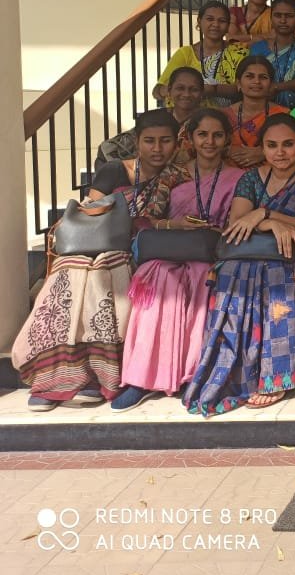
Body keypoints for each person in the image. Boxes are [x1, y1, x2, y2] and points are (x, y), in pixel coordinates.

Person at [17, 110, 188, 410]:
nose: (157, 148)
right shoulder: (114, 170)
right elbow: (91, 210)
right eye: (149, 141)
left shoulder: (179, 176)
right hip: (99, 242)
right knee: (72, 271)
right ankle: (52, 375)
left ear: (177, 143)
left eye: (165, 141)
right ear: (137, 142)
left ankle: (97, 376)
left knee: (106, 273)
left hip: (141, 248)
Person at [184, 114, 295, 415]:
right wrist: (270, 224)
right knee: (232, 273)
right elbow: (237, 224)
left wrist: (265, 214)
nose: (280, 152)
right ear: (262, 148)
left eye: (288, 144)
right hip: (250, 257)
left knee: (275, 277)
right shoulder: (251, 178)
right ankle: (232, 369)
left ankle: (276, 374)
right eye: (272, 145)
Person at [112, 109, 244, 411]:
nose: (209, 141)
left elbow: (240, 220)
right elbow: (150, 218)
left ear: (226, 139)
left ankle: (193, 373)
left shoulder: (240, 177)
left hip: (211, 251)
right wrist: (178, 225)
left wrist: (214, 231)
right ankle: (140, 379)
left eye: (217, 135)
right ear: (190, 138)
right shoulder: (173, 174)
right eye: (202, 134)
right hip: (170, 247)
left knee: (201, 276)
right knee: (157, 276)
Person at [98, 67, 205, 165]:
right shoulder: (160, 116)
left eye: (193, 89)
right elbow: (112, 146)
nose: (186, 94)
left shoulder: (207, 121)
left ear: (202, 93)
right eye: (180, 88)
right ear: (169, 91)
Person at [153, 2, 247, 107]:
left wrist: (213, 89)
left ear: (228, 25)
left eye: (222, 21)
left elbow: (246, 88)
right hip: (186, 114)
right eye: (210, 19)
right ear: (199, 21)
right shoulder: (186, 53)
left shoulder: (240, 53)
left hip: (228, 114)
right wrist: (180, 90)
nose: (216, 24)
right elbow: (157, 91)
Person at [249, 0, 295, 109]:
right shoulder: (257, 49)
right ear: (271, 18)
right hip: (261, 110)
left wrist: (277, 87)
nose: (283, 21)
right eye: (278, 15)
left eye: (289, 16)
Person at [225, 55, 290, 169]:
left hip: (272, 173)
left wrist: (264, 152)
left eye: (263, 77)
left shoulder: (283, 114)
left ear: (271, 84)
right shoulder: (225, 115)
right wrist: (228, 151)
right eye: (249, 76)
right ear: (238, 83)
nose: (256, 81)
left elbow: (292, 147)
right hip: (229, 173)